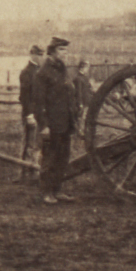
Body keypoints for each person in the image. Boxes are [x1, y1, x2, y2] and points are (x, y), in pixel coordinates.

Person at [34, 37, 79, 204]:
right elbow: (38, 102)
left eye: (66, 50)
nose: (65, 53)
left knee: (63, 157)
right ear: (51, 52)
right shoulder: (43, 73)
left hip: (65, 122)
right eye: (61, 50)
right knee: (50, 157)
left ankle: (57, 190)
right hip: (51, 124)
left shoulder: (62, 70)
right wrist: (44, 125)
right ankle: (46, 193)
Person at [17, 45, 44, 181]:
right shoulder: (26, 72)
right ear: (32, 55)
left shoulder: (39, 71)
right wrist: (29, 115)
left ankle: (34, 172)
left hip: (39, 114)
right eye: (39, 55)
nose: (41, 58)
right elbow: (24, 97)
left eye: (42, 55)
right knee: (29, 144)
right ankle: (24, 173)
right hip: (31, 114)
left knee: (37, 144)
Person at [73, 60, 94, 138]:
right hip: (83, 102)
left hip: (87, 101)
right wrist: (80, 103)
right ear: (82, 68)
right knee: (82, 117)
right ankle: (80, 132)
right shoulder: (78, 79)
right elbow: (78, 92)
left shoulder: (85, 78)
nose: (88, 69)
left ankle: (84, 131)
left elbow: (89, 89)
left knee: (85, 116)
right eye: (87, 67)